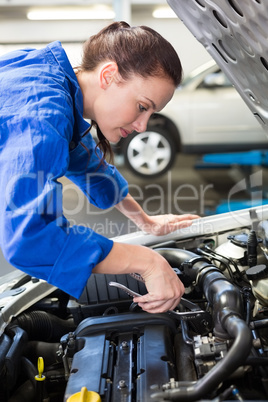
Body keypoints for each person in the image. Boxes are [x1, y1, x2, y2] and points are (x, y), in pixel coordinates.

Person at [0, 21, 199, 314]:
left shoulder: (55, 81)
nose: (143, 126)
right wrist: (146, 261)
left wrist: (146, 222)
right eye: (143, 106)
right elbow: (31, 237)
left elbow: (89, 165)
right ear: (108, 75)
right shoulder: (43, 112)